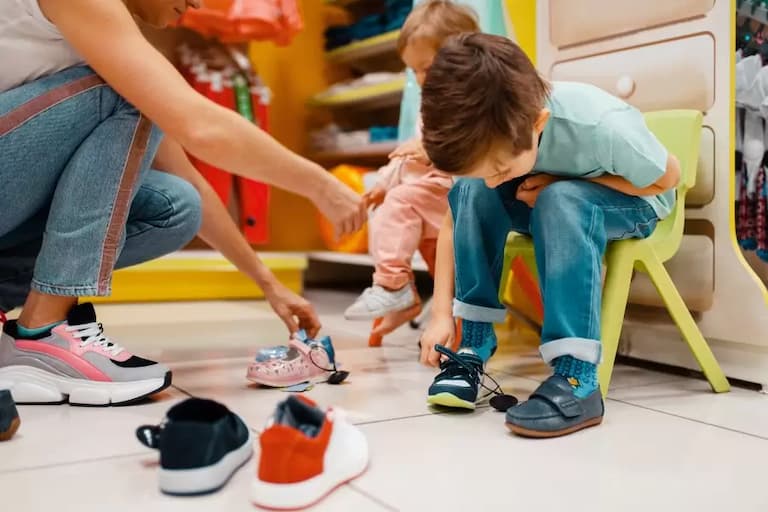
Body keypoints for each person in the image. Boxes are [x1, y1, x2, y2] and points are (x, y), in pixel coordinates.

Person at [0, 0, 367, 406]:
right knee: (136, 92)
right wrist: (321, 186)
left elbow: (187, 176)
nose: (199, 4)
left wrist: (269, 284)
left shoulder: (103, 33)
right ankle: (41, 333)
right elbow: (200, 126)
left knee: (177, 206)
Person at [418, 34, 681, 437]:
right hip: (544, 196)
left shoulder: (601, 125)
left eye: (500, 169)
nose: (493, 182)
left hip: (636, 201)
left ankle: (577, 378)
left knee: (561, 200)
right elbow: (457, 216)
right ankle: (473, 343)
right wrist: (440, 315)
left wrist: (558, 181)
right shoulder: (487, 138)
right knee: (470, 190)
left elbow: (666, 179)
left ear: (538, 124)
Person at [344, 0, 478, 321]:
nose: (420, 79)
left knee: (402, 202)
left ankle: (393, 286)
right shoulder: (429, 104)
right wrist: (384, 183)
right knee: (443, 273)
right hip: (435, 201)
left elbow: (473, 147)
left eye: (427, 69)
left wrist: (432, 149)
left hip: (459, 193)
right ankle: (446, 318)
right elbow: (408, 157)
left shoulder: (470, 101)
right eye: (413, 70)